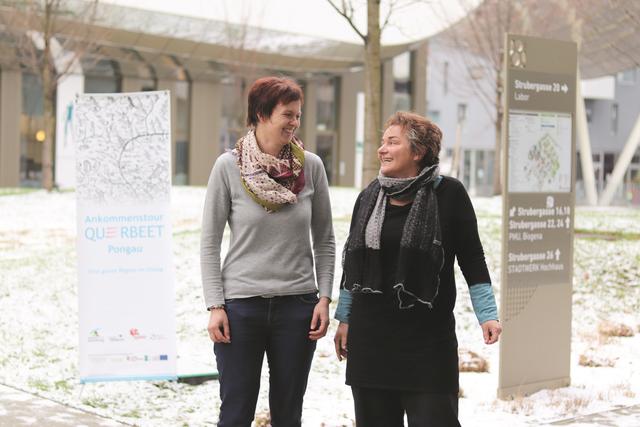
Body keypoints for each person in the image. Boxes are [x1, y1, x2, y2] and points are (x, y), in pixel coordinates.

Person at [333, 111, 501, 427]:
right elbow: (352, 264)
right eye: (382, 142)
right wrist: (344, 318)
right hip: (371, 343)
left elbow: (472, 257)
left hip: (427, 344)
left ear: (418, 151)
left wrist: (487, 314)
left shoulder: (449, 194)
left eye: (392, 142)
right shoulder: (369, 196)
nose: (382, 149)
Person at [201, 76, 335, 427]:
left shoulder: (312, 167)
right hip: (241, 308)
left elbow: (325, 239)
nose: (294, 122)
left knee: (288, 414)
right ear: (261, 114)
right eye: (287, 114)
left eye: (298, 115)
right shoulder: (228, 168)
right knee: (235, 413)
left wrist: (324, 298)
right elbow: (209, 243)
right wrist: (216, 305)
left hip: (298, 307)